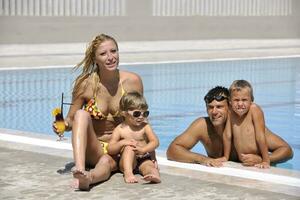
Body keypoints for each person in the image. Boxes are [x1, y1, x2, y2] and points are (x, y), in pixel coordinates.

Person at [52, 33, 144, 190]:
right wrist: (62, 124)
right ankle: (80, 168)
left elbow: (141, 119)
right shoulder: (85, 84)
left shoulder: (132, 81)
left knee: (106, 163)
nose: (110, 57)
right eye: (103, 54)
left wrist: (148, 154)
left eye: (113, 51)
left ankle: (88, 178)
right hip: (95, 148)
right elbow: (71, 119)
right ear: (95, 59)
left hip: (121, 148)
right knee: (81, 114)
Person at [167, 86, 293, 167]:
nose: (214, 112)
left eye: (220, 107)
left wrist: (263, 159)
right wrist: (203, 159)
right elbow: (172, 150)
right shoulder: (203, 126)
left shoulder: (246, 126)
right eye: (210, 108)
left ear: (230, 108)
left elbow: (286, 150)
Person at [108, 92, 161, 183]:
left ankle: (153, 175)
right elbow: (110, 149)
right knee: (129, 148)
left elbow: (155, 142)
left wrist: (144, 150)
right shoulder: (120, 129)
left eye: (145, 114)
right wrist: (122, 143)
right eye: (136, 113)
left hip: (143, 158)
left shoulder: (145, 127)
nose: (141, 117)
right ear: (124, 113)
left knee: (150, 167)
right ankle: (128, 173)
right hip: (127, 161)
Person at [222, 80, 270, 168]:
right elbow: (227, 135)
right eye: (236, 100)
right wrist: (225, 157)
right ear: (230, 101)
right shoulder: (230, 112)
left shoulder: (254, 110)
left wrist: (265, 160)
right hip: (243, 162)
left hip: (256, 159)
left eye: (244, 100)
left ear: (251, 100)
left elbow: (260, 136)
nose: (240, 104)